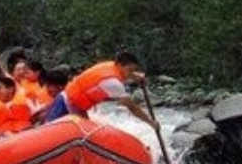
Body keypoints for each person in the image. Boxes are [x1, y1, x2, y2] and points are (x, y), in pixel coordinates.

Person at [32, 51, 162, 132]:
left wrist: (135, 76)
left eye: (133, 70)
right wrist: (151, 123)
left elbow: (125, 74)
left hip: (74, 103)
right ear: (119, 65)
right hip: (69, 103)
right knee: (47, 131)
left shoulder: (110, 64)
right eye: (129, 70)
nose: (130, 74)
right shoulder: (113, 83)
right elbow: (132, 108)